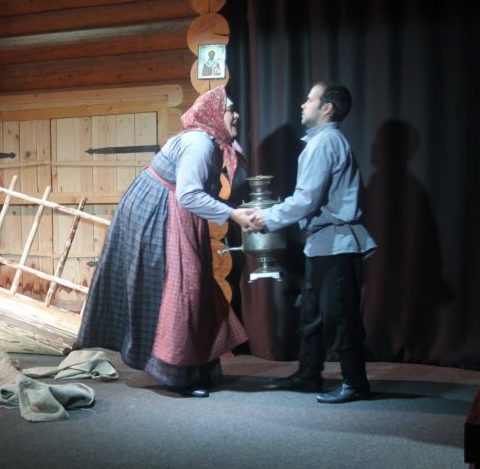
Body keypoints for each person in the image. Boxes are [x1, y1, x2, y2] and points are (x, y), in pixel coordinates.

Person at [75, 86, 256, 398]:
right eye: (229, 109)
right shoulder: (199, 144)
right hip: (161, 209)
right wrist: (233, 215)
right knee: (182, 287)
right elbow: (189, 195)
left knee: (193, 286)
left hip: (170, 207)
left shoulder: (209, 142)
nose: (236, 115)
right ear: (213, 114)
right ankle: (179, 374)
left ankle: (197, 367)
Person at [247, 81, 377, 404]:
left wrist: (266, 218)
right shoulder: (323, 142)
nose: (303, 104)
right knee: (313, 313)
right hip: (321, 245)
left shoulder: (325, 143)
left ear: (327, 108)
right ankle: (308, 374)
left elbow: (307, 199)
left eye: (309, 100)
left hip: (336, 246)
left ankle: (355, 383)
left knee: (340, 315)